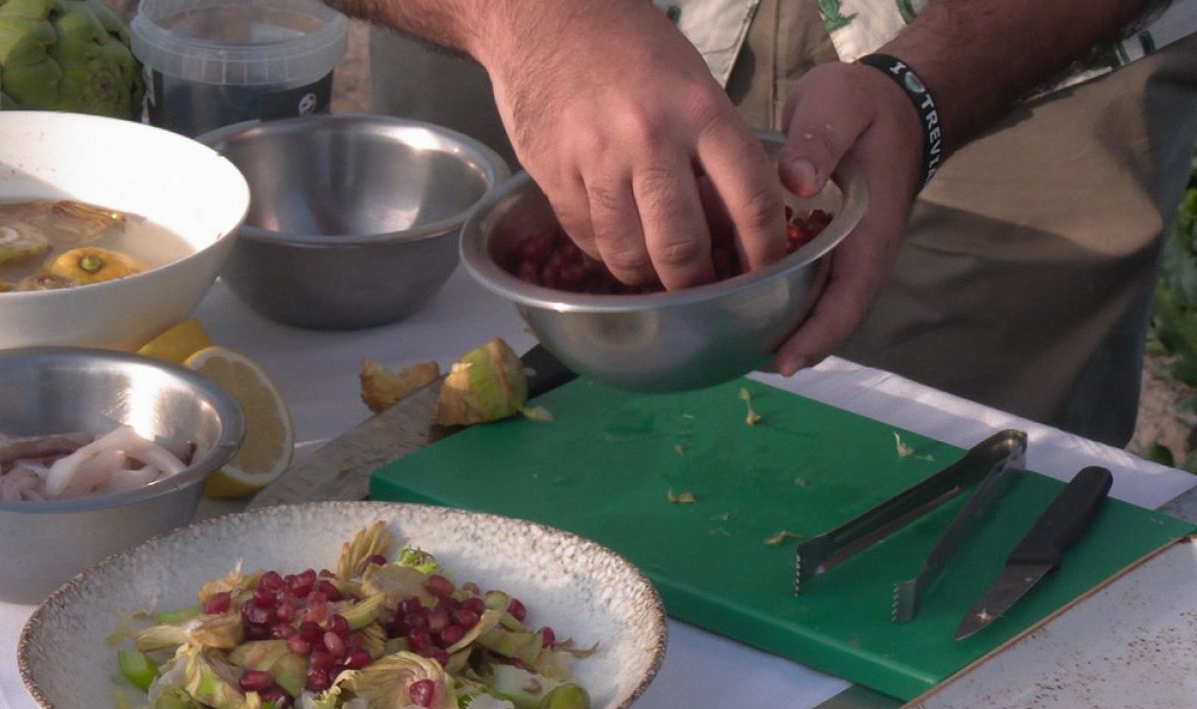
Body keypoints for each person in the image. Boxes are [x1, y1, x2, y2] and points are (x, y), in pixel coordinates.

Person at [327, 0, 1197, 446]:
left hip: (1009, 51)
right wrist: (529, 21)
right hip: (494, 34)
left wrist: (928, 96)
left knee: (957, 554)